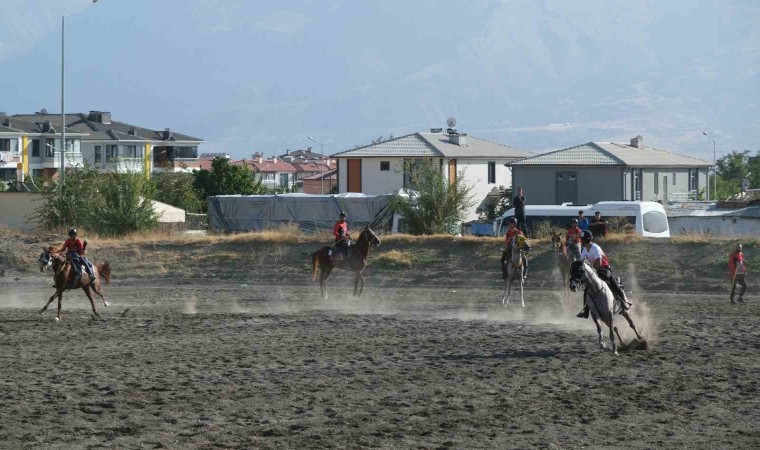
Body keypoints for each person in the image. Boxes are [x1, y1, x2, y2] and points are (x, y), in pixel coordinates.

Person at [576, 230, 632, 318]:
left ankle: (625, 301)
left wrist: (591, 269)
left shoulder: (595, 247)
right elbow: (581, 262)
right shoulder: (584, 250)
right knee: (587, 289)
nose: (581, 241)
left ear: (585, 240)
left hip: (603, 269)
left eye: (581, 239)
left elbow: (599, 261)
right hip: (593, 271)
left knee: (612, 282)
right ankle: (585, 310)